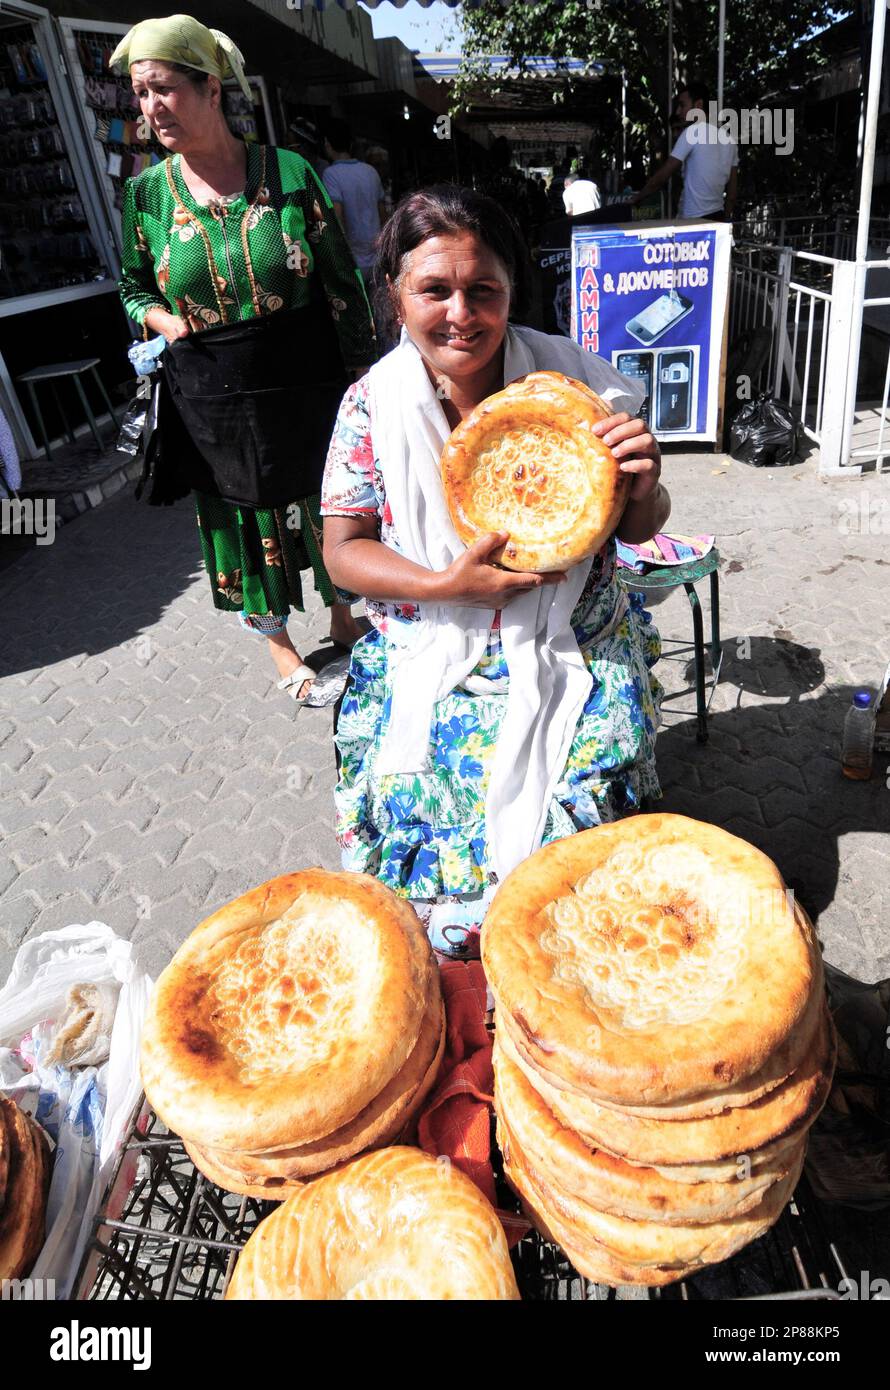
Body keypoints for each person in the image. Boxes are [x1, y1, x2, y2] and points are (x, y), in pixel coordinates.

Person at [321, 186, 666, 960]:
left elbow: (639, 529)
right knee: (418, 803)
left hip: (571, 633)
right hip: (433, 637)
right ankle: (467, 960)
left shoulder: (585, 389)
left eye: (485, 291)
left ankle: (555, 946)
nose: (461, 315)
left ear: (512, 291)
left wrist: (644, 485)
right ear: (395, 294)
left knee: (573, 836)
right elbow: (343, 550)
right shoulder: (371, 407)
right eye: (433, 289)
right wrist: (448, 587)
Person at [113, 17, 376, 706]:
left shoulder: (287, 173)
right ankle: (281, 647)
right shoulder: (145, 195)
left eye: (164, 89)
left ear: (210, 88)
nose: (151, 108)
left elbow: (341, 283)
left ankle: (346, 615)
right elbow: (132, 284)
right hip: (211, 385)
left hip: (302, 372)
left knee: (327, 502)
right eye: (141, 94)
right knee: (242, 516)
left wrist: (364, 380)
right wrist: (163, 321)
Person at [631, 82, 738, 221]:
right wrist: (726, 220)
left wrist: (637, 198)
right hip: (718, 218)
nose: (678, 112)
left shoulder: (692, 131)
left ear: (698, 105)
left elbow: (662, 176)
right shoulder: (730, 140)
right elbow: (732, 194)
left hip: (692, 222)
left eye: (682, 105)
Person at [322, 120, 387, 279]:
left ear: (328, 144)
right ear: (350, 144)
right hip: (377, 258)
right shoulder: (370, 171)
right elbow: (383, 215)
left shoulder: (331, 174)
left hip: (354, 261)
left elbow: (337, 219)